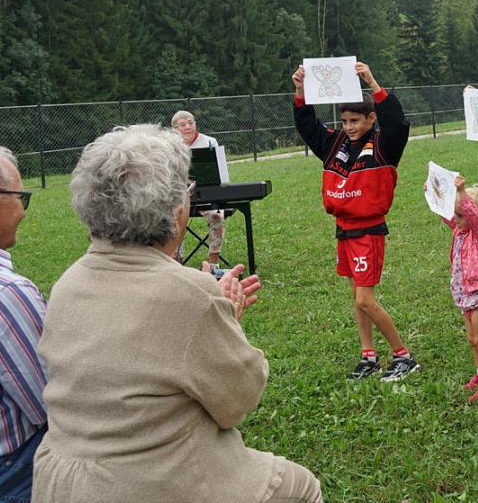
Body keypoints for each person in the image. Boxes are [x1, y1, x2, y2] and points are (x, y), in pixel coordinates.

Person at [32, 125, 323, 503]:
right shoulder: (190, 294)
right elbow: (237, 403)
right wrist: (224, 316)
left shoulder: (68, 283)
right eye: (187, 188)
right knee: (303, 487)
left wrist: (209, 310)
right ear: (174, 210)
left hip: (58, 480)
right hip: (146, 483)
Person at [292, 61, 418, 382]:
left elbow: (398, 123)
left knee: (365, 298)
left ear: (371, 118)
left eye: (355, 121)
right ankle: (368, 356)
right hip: (344, 230)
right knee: (357, 299)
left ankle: (403, 356)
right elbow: (307, 126)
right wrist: (301, 91)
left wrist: (373, 83)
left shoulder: (384, 145)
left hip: (368, 231)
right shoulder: (334, 144)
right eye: (345, 121)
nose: (348, 127)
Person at [0, 147, 46, 503]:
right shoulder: (8, 293)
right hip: (12, 471)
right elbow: (51, 403)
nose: (24, 212)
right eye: (21, 198)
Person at [438, 175, 478, 402]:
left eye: (461, 215)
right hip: (467, 294)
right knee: (473, 338)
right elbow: (447, 215)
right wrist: (435, 194)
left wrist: (462, 192)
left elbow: (471, 216)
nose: (456, 220)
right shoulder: (461, 229)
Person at [171, 110, 225, 266]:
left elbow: (221, 172)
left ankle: (213, 263)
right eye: (183, 125)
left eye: (191, 122)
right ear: (175, 129)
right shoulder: (170, 146)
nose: (188, 127)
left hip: (207, 194)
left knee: (216, 216)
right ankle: (176, 261)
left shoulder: (210, 142)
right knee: (172, 219)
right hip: (180, 197)